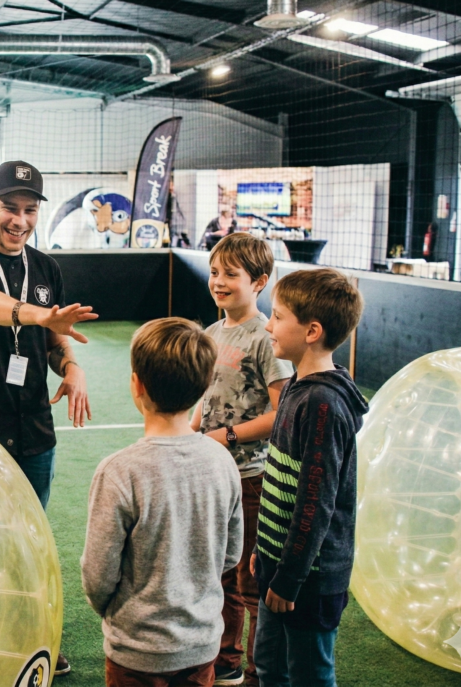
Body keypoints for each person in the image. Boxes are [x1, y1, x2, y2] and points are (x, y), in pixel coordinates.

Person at [0, 159, 97, 675]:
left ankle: (35, 636)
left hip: (33, 430)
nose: (20, 220)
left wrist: (71, 367)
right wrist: (37, 314)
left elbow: (52, 341)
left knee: (29, 540)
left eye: (30, 210)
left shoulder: (46, 268)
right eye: (10, 208)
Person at [81, 317, 243, 687]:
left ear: (136, 384)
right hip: (202, 646)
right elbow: (230, 556)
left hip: (136, 652)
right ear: (205, 387)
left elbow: (97, 574)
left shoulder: (119, 471)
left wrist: (118, 613)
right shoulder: (224, 462)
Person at [251, 268, 367, 687]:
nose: (269, 324)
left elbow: (315, 503)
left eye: (278, 316)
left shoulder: (322, 404)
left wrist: (289, 575)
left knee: (309, 674)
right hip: (278, 566)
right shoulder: (299, 385)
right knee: (270, 665)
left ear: (312, 330)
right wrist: (265, 555)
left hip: (307, 581)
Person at [190, 233, 293, 687]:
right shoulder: (213, 333)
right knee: (221, 571)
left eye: (231, 274)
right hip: (215, 474)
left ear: (260, 282)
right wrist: (189, 434)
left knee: (251, 578)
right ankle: (227, 658)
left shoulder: (266, 337)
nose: (218, 281)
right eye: (215, 272)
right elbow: (205, 397)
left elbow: (280, 413)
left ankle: (256, 668)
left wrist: (226, 436)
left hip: (252, 477)